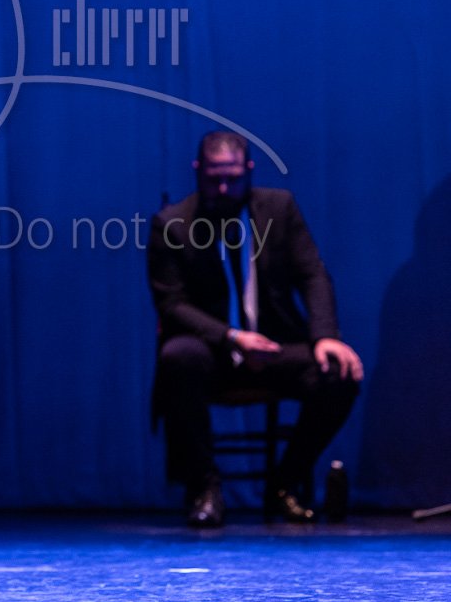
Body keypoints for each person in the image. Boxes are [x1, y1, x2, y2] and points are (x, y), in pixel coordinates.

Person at [148, 131, 363, 528]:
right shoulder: (172, 224)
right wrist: (233, 338)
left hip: (274, 346)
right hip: (213, 351)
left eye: (232, 178)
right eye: (214, 178)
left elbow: (312, 274)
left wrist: (325, 336)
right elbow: (172, 305)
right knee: (177, 358)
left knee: (339, 372)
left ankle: (283, 484)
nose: (223, 188)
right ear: (198, 171)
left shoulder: (279, 209)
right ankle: (205, 488)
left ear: (248, 170)